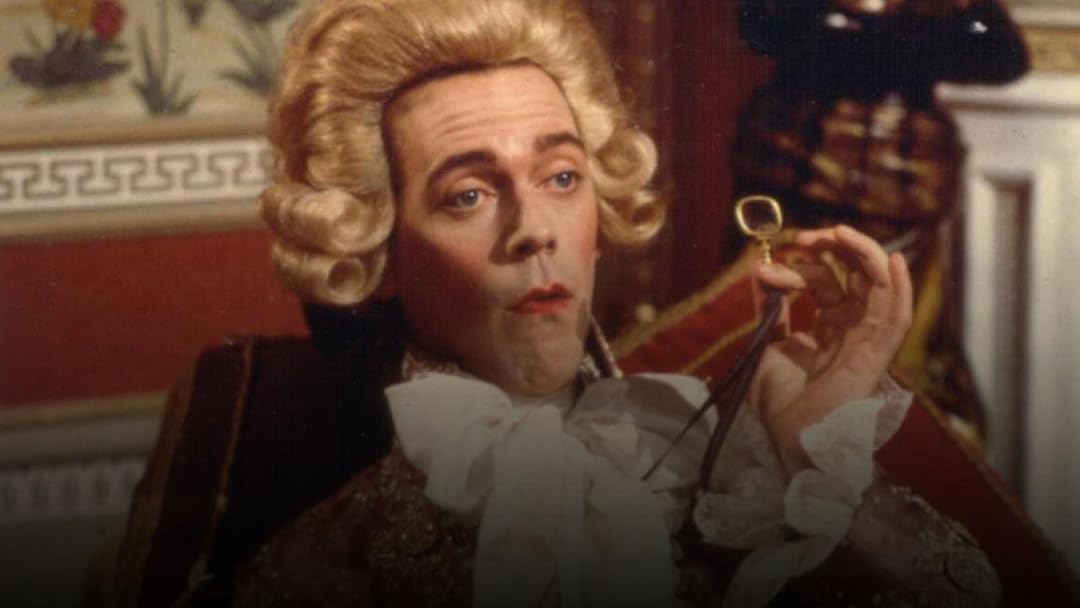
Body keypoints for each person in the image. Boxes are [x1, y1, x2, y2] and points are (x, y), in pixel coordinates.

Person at [106, 0, 1077, 606]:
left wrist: (808, 457)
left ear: (602, 213)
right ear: (379, 250)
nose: (535, 228)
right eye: (468, 194)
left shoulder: (729, 464)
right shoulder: (327, 562)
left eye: (563, 177)